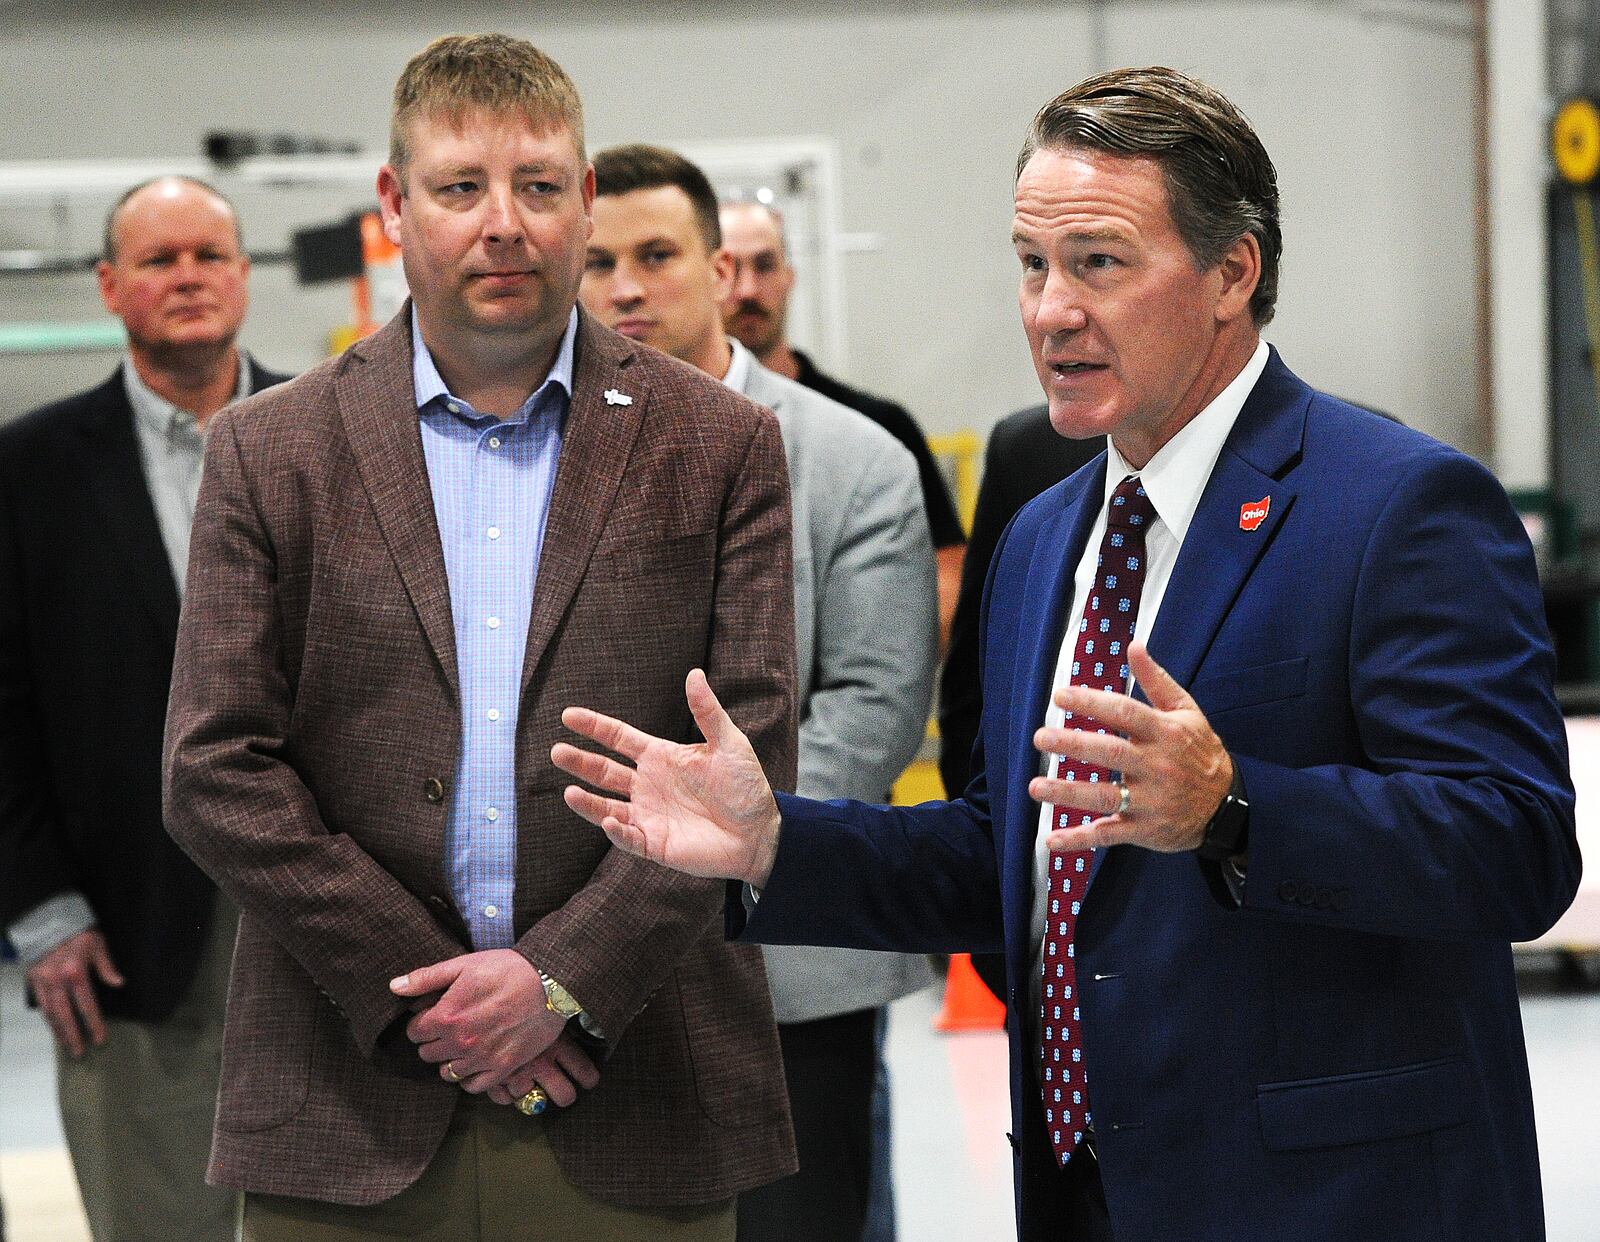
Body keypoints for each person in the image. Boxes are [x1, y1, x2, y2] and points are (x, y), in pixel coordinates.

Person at [552, 66, 1581, 1242]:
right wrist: (776, 840)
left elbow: (1515, 847)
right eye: (1032, 265)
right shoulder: (1048, 531)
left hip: (1329, 1199)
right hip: (1087, 1188)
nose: (1049, 310)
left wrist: (1236, 806)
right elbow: (1012, 848)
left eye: (1099, 262)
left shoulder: (1396, 506)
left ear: (1231, 274)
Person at [161, 34, 798, 1240]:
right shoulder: (268, 450)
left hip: (637, 1086)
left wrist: (562, 980)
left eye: (540, 186)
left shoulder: (718, 446)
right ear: (394, 206)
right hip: (344, 1102)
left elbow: (748, 764)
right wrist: (431, 996)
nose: (503, 224)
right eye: (461, 187)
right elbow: (212, 769)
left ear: (585, 201)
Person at [579, 143, 937, 1242]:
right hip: (578, 965)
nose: (627, 286)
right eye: (597, 262)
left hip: (786, 964)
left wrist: (697, 862)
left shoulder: (852, 459)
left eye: (656, 254)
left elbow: (871, 707)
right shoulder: (532, 457)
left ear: (722, 269)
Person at [0, 175, 288, 1241]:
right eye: (160, 260)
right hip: (123, 931)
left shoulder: (347, 432)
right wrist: (41, 912)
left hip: (331, 913)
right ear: (111, 284)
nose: (188, 278)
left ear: (245, 278)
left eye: (209, 255)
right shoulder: (26, 472)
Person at [719, 199, 967, 646]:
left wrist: (876, 656)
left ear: (790, 277)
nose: (748, 290)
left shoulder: (874, 427)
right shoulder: (680, 428)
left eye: (765, 265)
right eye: (730, 268)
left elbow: (946, 572)